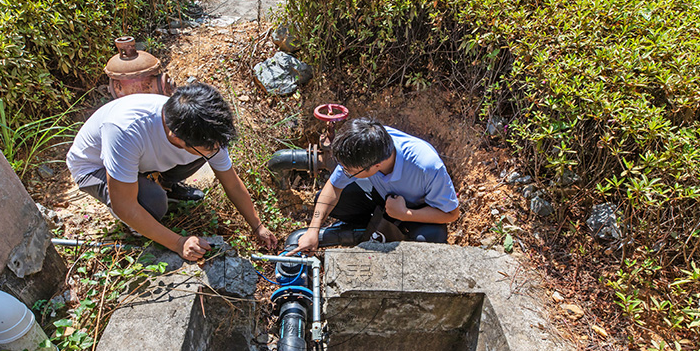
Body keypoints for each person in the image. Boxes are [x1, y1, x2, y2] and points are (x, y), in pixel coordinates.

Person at [66, 82, 278, 260]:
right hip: (95, 168)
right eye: (210, 147)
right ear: (176, 137)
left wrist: (257, 225)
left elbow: (231, 183)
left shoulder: (201, 129)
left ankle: (163, 185)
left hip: (139, 162)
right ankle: (145, 206)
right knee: (154, 203)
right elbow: (124, 205)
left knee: (202, 158)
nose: (217, 150)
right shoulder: (126, 130)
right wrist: (178, 242)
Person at [296, 118, 460, 254]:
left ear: (376, 166)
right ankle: (371, 229)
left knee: (429, 241)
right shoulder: (363, 146)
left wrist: (405, 214)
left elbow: (451, 214)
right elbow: (333, 187)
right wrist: (313, 230)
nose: (344, 172)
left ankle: (394, 234)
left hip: (416, 212)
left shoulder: (426, 166)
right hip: (382, 198)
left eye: (349, 171)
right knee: (329, 200)